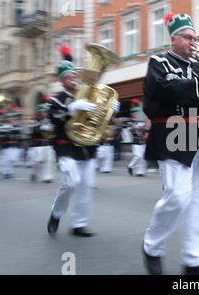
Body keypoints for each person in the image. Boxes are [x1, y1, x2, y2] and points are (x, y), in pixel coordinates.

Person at [141, 12, 199, 275]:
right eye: (189, 37)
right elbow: (171, 90)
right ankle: (152, 247)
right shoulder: (159, 62)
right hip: (173, 133)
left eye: (195, 37)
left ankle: (195, 259)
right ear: (174, 38)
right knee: (178, 197)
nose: (194, 42)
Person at [46, 46, 120, 237]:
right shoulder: (56, 100)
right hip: (66, 147)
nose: (74, 79)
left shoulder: (89, 94)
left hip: (87, 147)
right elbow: (52, 117)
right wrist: (71, 108)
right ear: (62, 81)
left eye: (75, 76)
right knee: (70, 183)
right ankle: (56, 213)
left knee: (86, 186)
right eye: (69, 77)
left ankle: (79, 224)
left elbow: (101, 118)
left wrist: (111, 109)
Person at [29, 104, 55, 183]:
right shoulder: (36, 120)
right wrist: (41, 128)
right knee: (37, 161)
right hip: (38, 144)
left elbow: (54, 132)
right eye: (44, 111)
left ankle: (47, 177)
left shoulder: (52, 120)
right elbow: (33, 132)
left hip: (48, 143)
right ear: (41, 112)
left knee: (49, 160)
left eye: (46, 111)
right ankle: (34, 172)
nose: (45, 113)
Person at [127, 108, 147, 177]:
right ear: (132, 115)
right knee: (138, 156)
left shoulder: (141, 122)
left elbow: (145, 129)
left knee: (142, 157)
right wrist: (140, 128)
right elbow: (133, 131)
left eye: (137, 114)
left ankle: (140, 172)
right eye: (135, 114)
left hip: (143, 142)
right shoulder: (130, 123)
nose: (136, 115)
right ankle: (130, 166)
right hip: (136, 142)